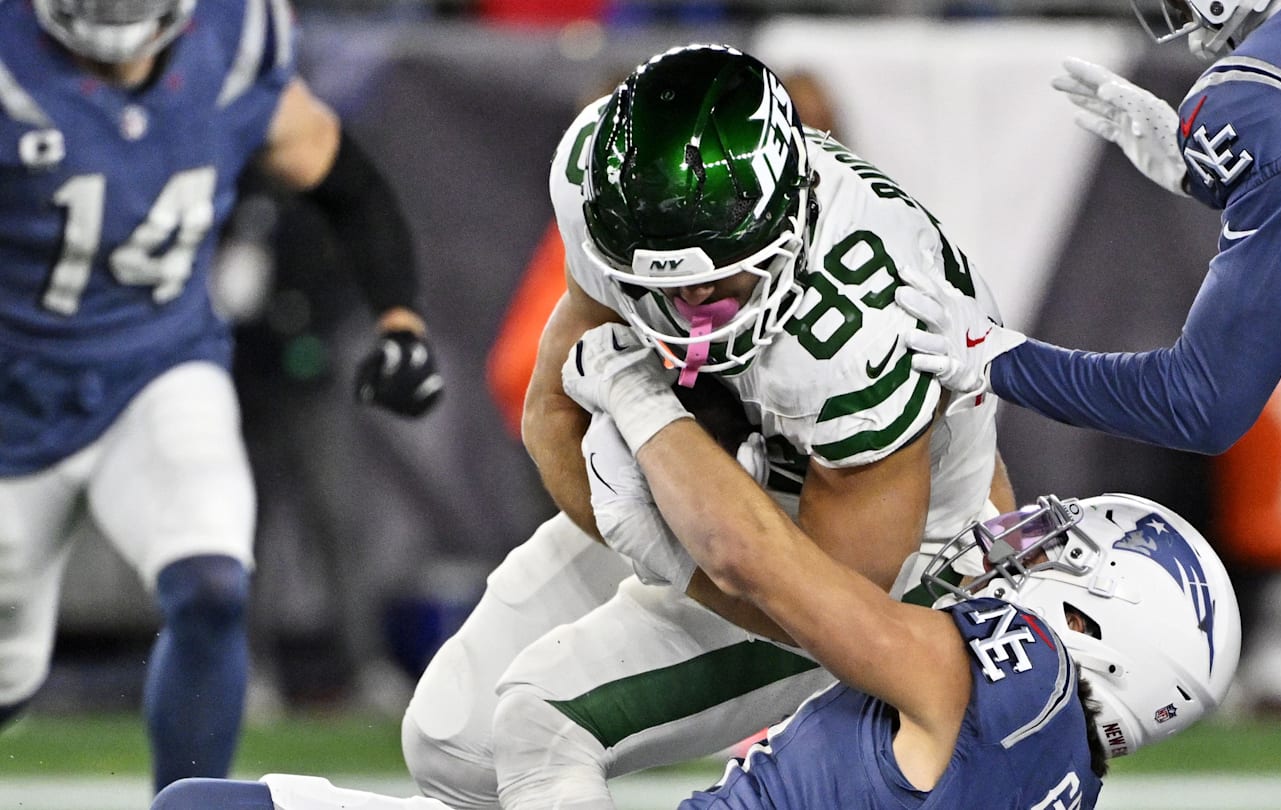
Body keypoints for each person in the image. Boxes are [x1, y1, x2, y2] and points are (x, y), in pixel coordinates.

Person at [401, 43, 1015, 810]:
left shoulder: (868, 336)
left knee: (541, 721)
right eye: (661, 284)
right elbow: (552, 417)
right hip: (721, 475)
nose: (691, 308)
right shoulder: (596, 183)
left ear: (788, 221)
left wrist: (670, 548)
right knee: (452, 743)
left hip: (903, 565)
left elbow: (842, 615)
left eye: (719, 276)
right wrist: (665, 509)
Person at [889, 0, 1281, 806]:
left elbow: (1202, 403)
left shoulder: (1269, 92)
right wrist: (1209, 175)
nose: (1184, 21)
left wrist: (998, 358)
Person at [146, 441, 1241, 809]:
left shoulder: (993, 679)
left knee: (524, 723)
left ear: (1102, 622)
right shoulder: (1052, 766)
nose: (1027, 544)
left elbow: (773, 575)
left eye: (1062, 553)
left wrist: (642, 415)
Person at [0, 0, 443, 794]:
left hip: (158, 368)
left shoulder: (234, 40)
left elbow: (342, 178)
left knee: (212, 585)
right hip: (13, 399)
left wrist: (400, 319)